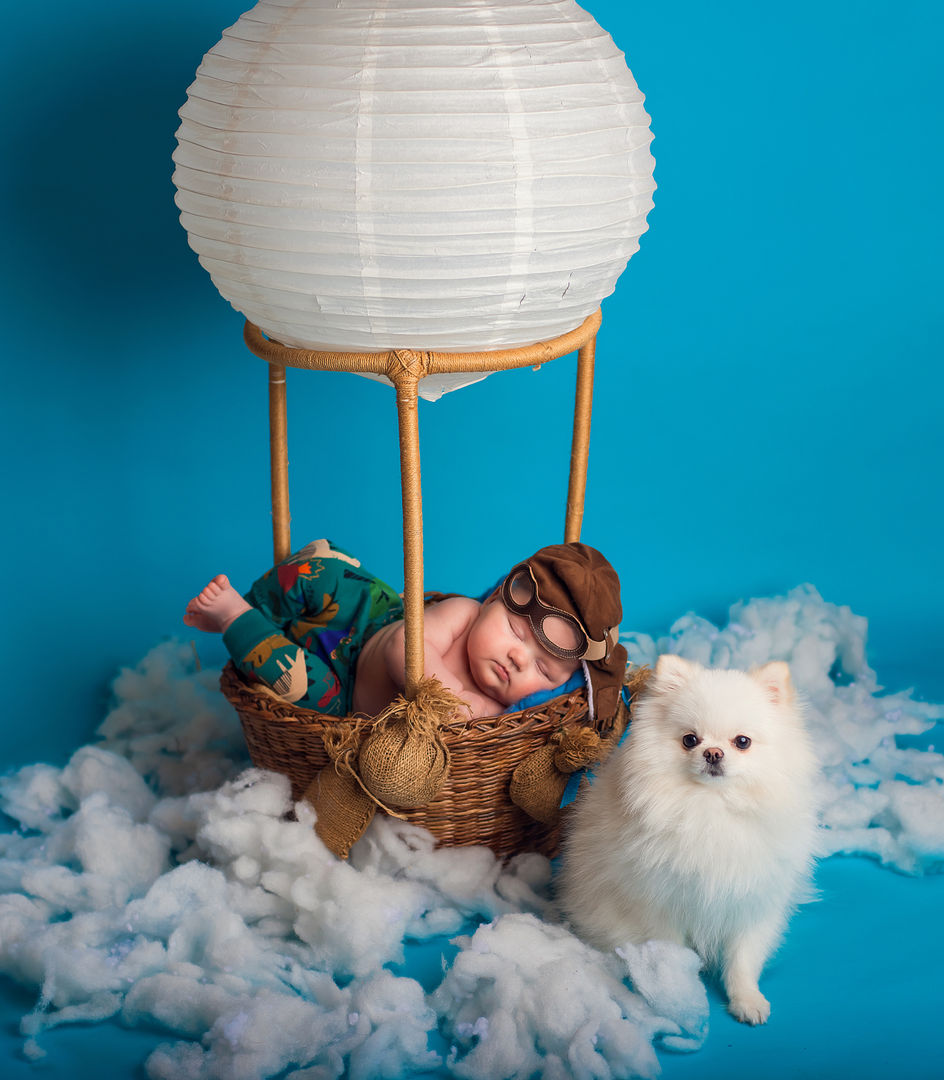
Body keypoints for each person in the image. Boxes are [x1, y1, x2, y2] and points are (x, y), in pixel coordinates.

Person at [184, 538, 626, 724]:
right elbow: (402, 647)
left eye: (545, 672)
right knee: (327, 571)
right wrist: (447, 694)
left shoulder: (493, 713)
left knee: (295, 680)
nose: (518, 658)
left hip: (342, 692)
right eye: (514, 631)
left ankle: (235, 618)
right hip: (373, 626)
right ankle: (265, 600)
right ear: (493, 600)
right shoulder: (463, 612)